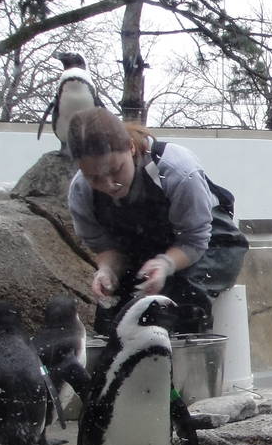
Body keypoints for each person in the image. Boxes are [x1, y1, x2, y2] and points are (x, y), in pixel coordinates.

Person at [65, 106, 224, 336]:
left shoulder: (177, 171)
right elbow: (103, 245)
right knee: (115, 316)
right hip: (142, 246)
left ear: (130, 147)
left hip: (207, 242)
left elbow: (196, 238)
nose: (109, 185)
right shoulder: (81, 191)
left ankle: (188, 365)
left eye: (116, 170)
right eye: (95, 178)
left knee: (180, 303)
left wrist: (165, 264)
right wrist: (108, 269)